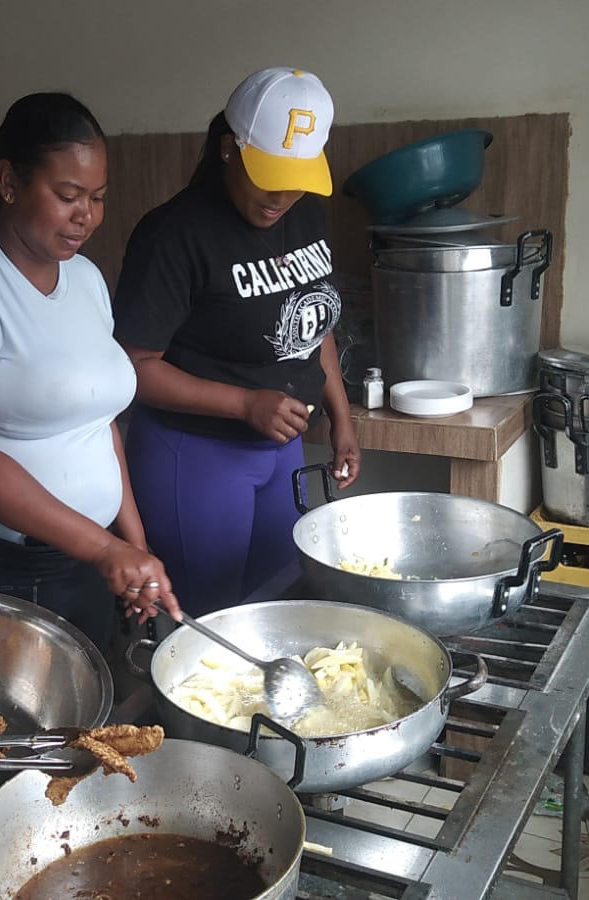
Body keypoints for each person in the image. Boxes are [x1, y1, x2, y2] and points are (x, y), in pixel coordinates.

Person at [0, 92, 182, 645]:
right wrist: (105, 547)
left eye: (97, 198)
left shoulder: (87, 279)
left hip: (82, 561)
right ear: (9, 181)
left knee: (81, 696)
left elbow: (98, 423)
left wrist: (133, 545)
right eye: (67, 196)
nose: (86, 216)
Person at [112, 67, 362, 617]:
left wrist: (341, 418)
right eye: (267, 175)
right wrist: (244, 403)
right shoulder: (174, 235)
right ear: (229, 149)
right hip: (196, 455)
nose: (280, 195)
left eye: (295, 178)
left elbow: (313, 324)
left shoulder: (304, 213)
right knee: (207, 624)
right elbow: (132, 367)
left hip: (282, 451)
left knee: (277, 605)